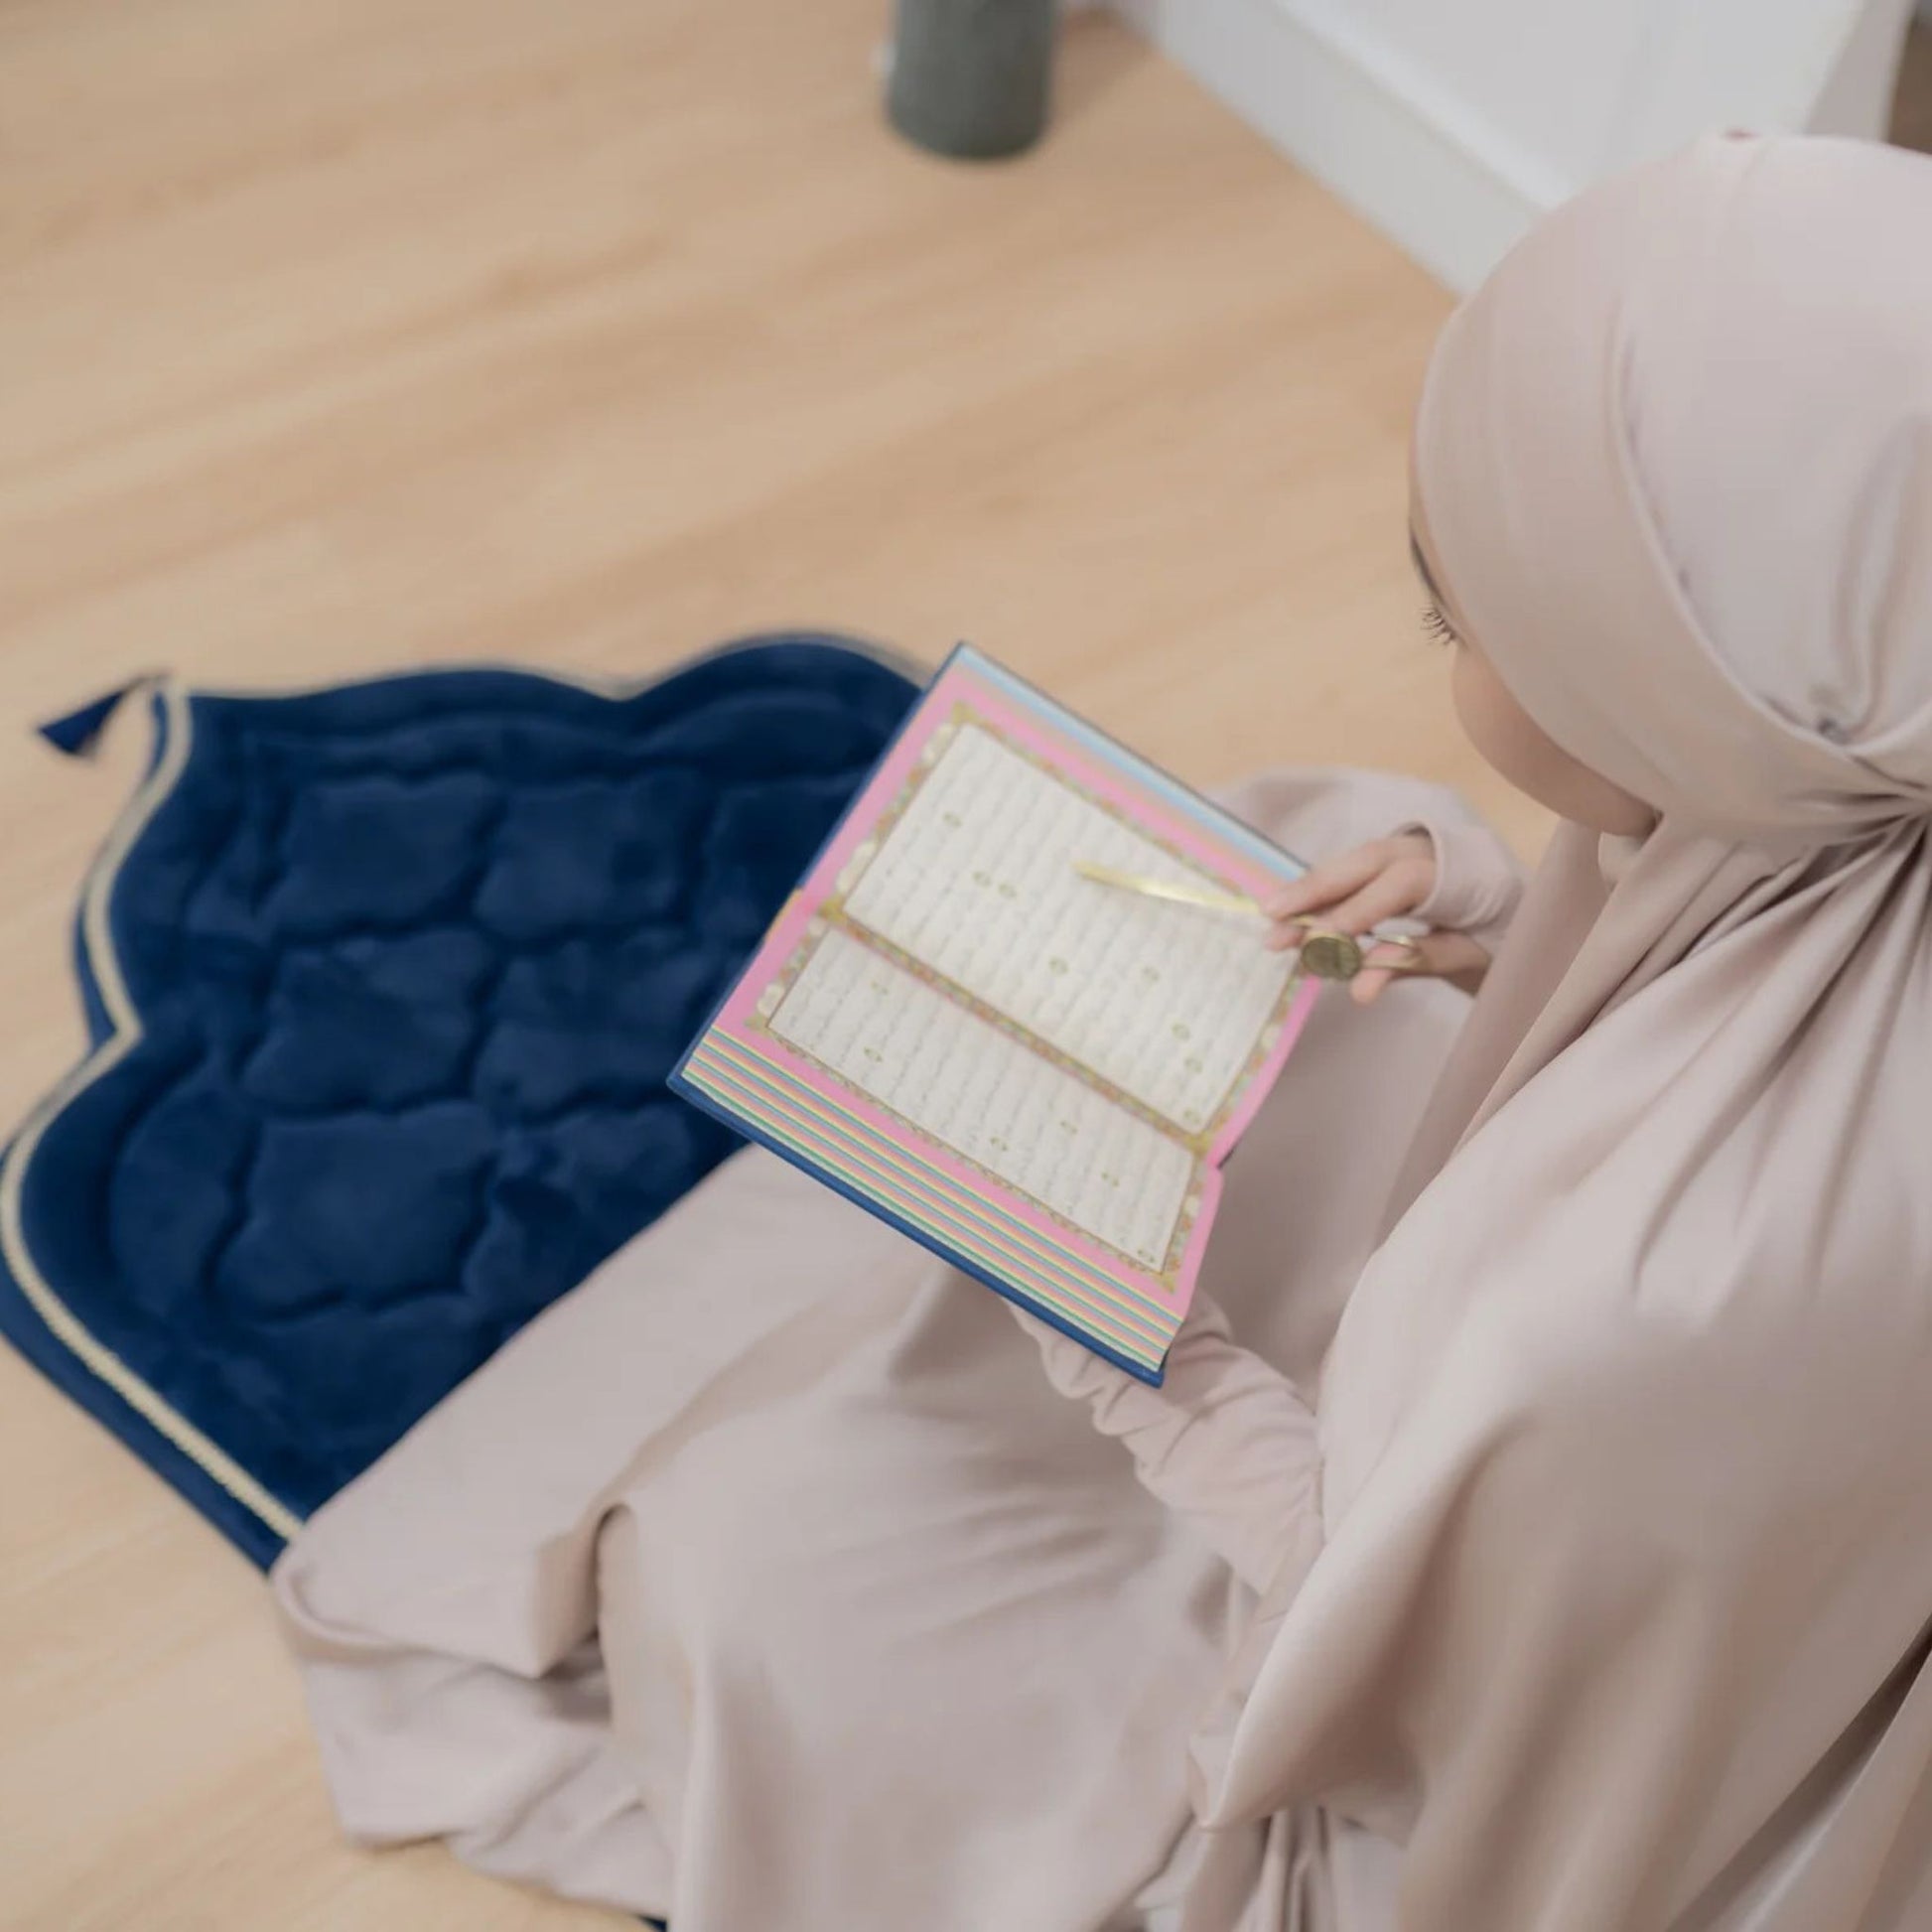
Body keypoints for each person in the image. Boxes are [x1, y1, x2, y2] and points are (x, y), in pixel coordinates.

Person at [274, 131, 1932, 1929]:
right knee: (1306, 840)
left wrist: (1120, 1333)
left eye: (1460, 617)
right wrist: (1473, 914)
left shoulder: (1613, 1315)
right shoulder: (1846, 806)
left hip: (1406, 1714)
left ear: (1685, 706)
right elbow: (1671, 956)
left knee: (746, 1573)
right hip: (1656, 1535)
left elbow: (1359, 1649)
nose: (1446, 649)